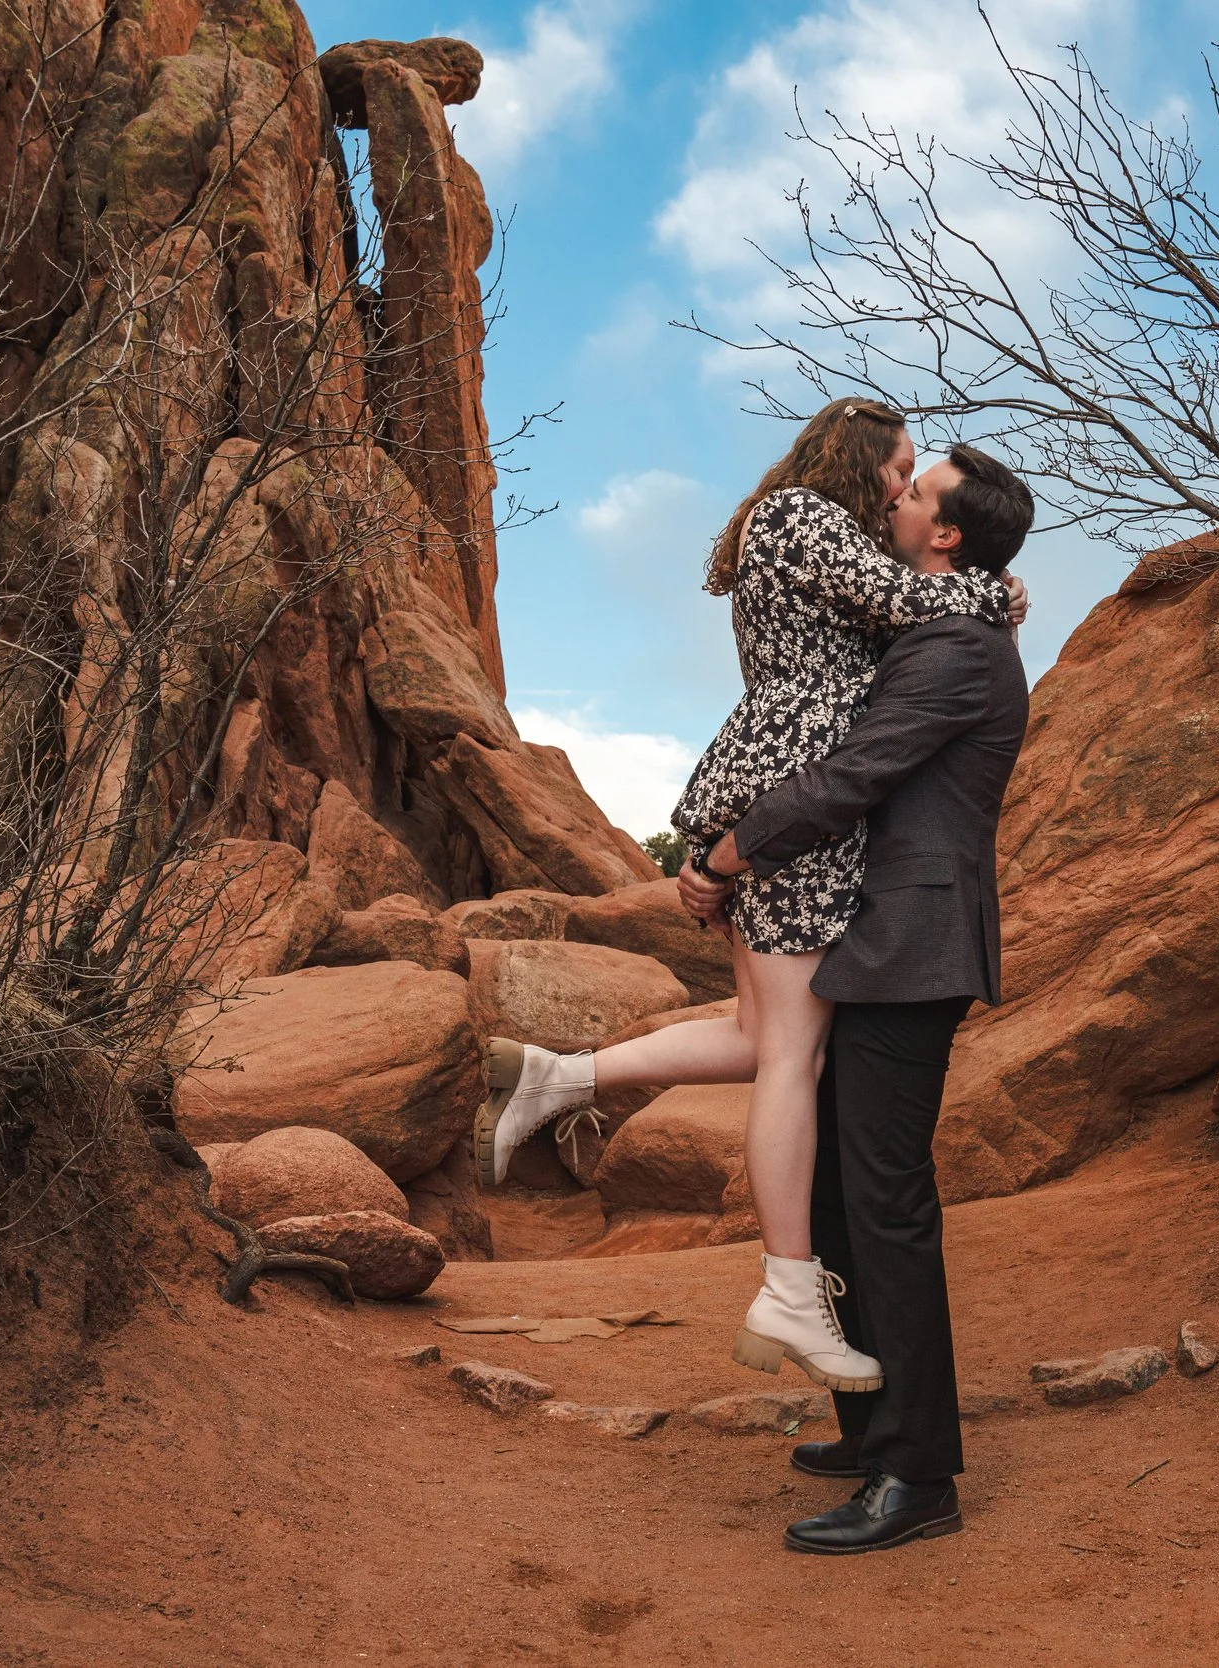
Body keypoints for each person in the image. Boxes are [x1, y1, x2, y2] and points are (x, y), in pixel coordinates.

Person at [478, 400, 1020, 1399]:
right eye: (900, 468)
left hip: (771, 785)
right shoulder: (807, 520)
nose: (901, 488)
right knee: (791, 1052)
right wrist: (991, 593)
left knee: (754, 1031)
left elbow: (899, 601)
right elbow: (914, 608)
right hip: (794, 793)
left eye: (914, 481)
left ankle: (558, 1080)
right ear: (862, 458)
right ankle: (787, 1289)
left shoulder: (790, 523)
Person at [683, 440, 1033, 1555]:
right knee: (836, 1191)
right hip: (869, 943)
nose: (896, 496)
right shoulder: (938, 624)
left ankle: (918, 1473)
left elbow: (849, 778)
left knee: (884, 1200)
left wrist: (725, 857)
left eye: (917, 493)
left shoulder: (954, 649)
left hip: (911, 950)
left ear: (946, 536)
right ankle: (871, 1423)